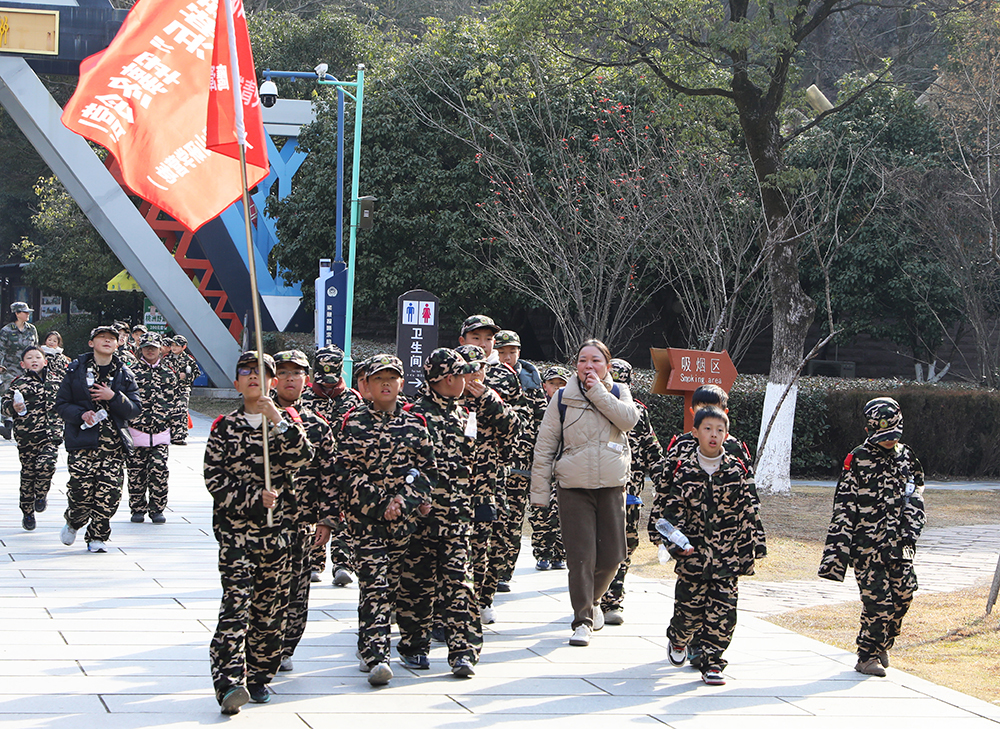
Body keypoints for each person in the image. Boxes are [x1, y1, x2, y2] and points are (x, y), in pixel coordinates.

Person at [204, 351, 314, 715]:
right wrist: (255, 497)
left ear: (272, 382)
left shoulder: (283, 423)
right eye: (246, 372)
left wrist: (276, 418)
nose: (254, 377)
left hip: (277, 534)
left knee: (270, 610)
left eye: (262, 372)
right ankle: (229, 681)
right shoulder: (224, 426)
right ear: (236, 383)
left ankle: (259, 677)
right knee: (236, 606)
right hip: (236, 535)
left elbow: (302, 457)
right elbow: (215, 480)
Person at [334, 354, 435, 686]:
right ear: (367, 385)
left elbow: (425, 473)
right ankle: (378, 655)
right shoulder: (353, 423)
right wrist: (381, 504)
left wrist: (402, 502)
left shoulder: (415, 424)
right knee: (375, 584)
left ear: (402, 384)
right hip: (366, 523)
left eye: (392, 378)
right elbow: (347, 473)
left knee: (390, 585)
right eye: (379, 379)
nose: (387, 384)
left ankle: (368, 643)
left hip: (403, 524)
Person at [531, 338, 638, 647]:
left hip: (611, 485)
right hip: (573, 487)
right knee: (580, 557)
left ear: (607, 365)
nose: (588, 366)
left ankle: (592, 600)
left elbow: (628, 420)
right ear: (575, 365)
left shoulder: (618, 392)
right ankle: (583, 621)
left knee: (613, 556)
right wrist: (539, 493)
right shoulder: (562, 397)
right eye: (582, 361)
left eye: (595, 361)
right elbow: (545, 447)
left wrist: (599, 392)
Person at [819, 396, 925, 677]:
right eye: (884, 436)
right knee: (878, 604)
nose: (890, 441)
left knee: (904, 596)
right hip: (867, 548)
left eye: (894, 435)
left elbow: (916, 495)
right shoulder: (858, 459)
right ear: (869, 430)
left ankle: (881, 644)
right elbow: (843, 508)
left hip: (900, 546)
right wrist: (836, 555)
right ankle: (866, 656)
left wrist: (911, 530)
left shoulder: (906, 456)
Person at [395, 348, 481, 678]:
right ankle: (414, 647)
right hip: (420, 518)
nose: (465, 381)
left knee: (460, 583)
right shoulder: (411, 415)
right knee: (416, 584)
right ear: (447, 380)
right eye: (461, 376)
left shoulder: (464, 414)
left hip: (457, 517)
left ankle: (463, 652)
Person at [662, 406, 763, 686]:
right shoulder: (686, 471)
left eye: (720, 430)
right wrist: (674, 545)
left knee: (723, 613)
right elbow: (672, 515)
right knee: (689, 613)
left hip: (726, 559)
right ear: (695, 433)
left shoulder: (735, 470)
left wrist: (752, 549)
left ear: (726, 434)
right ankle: (678, 640)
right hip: (693, 560)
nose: (714, 435)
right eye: (707, 429)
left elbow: (748, 512)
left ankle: (713, 662)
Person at [270, 350, 336, 675]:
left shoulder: (317, 425)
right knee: (267, 589)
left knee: (298, 589)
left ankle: (286, 646)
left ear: (306, 380)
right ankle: (263, 647)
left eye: (296, 373)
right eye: (282, 372)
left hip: (303, 524)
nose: (290, 379)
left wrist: (327, 519)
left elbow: (330, 476)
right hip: (265, 524)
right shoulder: (255, 417)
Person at [55, 325, 142, 553]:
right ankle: (74, 521)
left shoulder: (124, 372)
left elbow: (134, 409)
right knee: (80, 493)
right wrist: (81, 414)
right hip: (83, 444)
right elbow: (61, 404)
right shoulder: (75, 370)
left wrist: (113, 397)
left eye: (111, 338)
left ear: (118, 344)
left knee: (110, 493)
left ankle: (98, 536)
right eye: (101, 338)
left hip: (113, 446)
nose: (107, 341)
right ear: (91, 343)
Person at [454, 344, 518, 626]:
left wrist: (490, 399)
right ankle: (456, 608)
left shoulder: (493, 398)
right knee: (460, 551)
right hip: (455, 490)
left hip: (489, 487)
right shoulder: (447, 400)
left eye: (479, 369)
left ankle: (483, 599)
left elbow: (516, 428)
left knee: (494, 546)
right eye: (468, 370)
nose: (474, 376)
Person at [599, 358, 665, 625]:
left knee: (625, 545)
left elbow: (652, 451)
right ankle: (592, 599)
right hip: (598, 489)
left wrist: (667, 481)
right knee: (597, 545)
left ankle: (612, 601)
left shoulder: (638, 412)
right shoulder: (592, 406)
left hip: (629, 493)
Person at [303, 344, 363, 586]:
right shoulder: (305, 398)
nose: (327, 385)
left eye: (332, 379)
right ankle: (314, 562)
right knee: (313, 511)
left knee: (345, 514)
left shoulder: (352, 399)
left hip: (344, 466)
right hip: (313, 466)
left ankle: (343, 563)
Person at [492, 329, 547, 593]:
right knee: (495, 517)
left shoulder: (531, 383)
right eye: (501, 352)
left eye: (512, 352)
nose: (507, 357)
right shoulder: (487, 379)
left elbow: (543, 423)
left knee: (513, 518)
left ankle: (504, 571)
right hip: (493, 462)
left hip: (521, 464)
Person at [1, 345, 62, 531]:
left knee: (47, 464)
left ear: (45, 361)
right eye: (29, 358)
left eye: (38, 357)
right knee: (28, 474)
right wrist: (13, 407)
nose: (34, 360)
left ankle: (41, 493)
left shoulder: (57, 381)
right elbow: (4, 405)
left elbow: (68, 402)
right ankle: (27, 511)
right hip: (27, 436)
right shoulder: (18, 383)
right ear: (23, 363)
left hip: (51, 434)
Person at [126, 332, 180, 524]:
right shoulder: (131, 373)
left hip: (160, 431)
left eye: (154, 348)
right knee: (136, 472)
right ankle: (137, 508)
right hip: (136, 430)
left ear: (160, 350)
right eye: (146, 347)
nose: (150, 350)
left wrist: (178, 431)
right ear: (141, 349)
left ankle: (157, 509)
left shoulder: (169, 374)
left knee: (159, 469)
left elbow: (177, 403)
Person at [529, 365, 570, 571]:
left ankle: (560, 554)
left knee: (565, 513)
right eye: (552, 384)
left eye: (561, 384)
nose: (556, 388)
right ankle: (542, 553)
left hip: (565, 469)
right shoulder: (538, 408)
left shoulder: (573, 408)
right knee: (541, 512)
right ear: (545, 386)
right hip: (542, 469)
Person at [0, 302, 39, 440]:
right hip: (10, 369)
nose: (28, 314)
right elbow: (1, 349)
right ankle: (7, 423)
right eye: (25, 312)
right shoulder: (6, 330)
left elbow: (35, 348)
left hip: (28, 369)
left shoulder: (31, 329)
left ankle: (27, 424)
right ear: (17, 314)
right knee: (8, 391)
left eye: (28, 312)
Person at [164, 334, 197, 445]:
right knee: (168, 410)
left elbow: (196, 373)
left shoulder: (188, 359)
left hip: (183, 388)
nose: (174, 348)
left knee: (181, 410)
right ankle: (167, 434)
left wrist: (187, 376)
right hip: (169, 389)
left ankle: (179, 435)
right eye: (173, 345)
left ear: (183, 347)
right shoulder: (166, 358)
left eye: (177, 346)